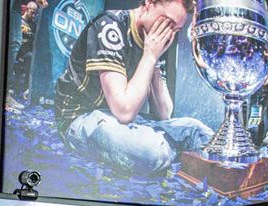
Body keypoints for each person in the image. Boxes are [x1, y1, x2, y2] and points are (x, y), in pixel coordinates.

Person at [54, 0, 213, 175]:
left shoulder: (154, 39)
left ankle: (164, 153)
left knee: (198, 131)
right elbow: (124, 111)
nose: (168, 34)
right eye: (167, 23)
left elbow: (164, 114)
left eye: (176, 30)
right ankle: (167, 154)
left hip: (122, 122)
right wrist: (149, 56)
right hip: (82, 118)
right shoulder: (110, 25)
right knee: (152, 153)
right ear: (149, 3)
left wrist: (154, 61)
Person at [6, 1, 41, 110]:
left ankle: (26, 89)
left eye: (35, 13)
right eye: (32, 12)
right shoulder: (18, 21)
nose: (33, 16)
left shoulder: (34, 26)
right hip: (17, 52)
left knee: (31, 57)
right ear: (26, 10)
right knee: (14, 44)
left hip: (25, 54)